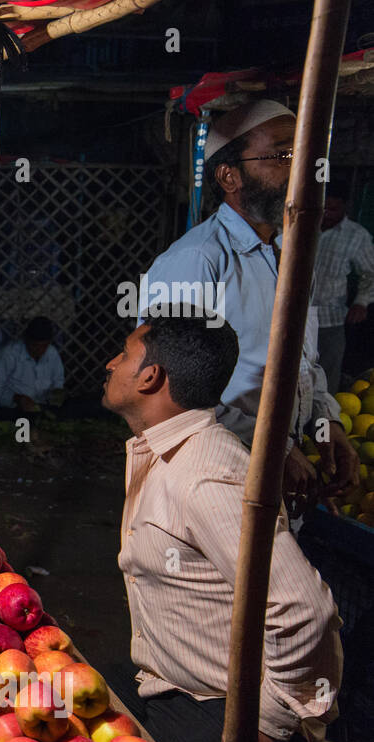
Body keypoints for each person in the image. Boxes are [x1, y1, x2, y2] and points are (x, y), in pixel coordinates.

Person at [101, 312, 343, 742]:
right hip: (169, 682)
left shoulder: (205, 476)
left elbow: (305, 610)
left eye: (123, 354)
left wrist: (268, 724)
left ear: (151, 376)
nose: (111, 363)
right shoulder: (164, 453)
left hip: (224, 713)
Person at [140, 100, 359, 518]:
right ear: (229, 176)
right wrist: (269, 450)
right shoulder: (197, 260)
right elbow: (168, 389)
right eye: (282, 155)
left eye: (303, 155)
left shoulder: (289, 256)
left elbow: (304, 361)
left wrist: (325, 423)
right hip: (216, 481)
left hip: (280, 479)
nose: (299, 169)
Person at [312, 190, 374, 388]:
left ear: (344, 208)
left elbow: (370, 273)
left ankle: (323, 420)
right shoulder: (300, 225)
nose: (327, 214)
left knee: (326, 380)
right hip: (292, 319)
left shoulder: (356, 236)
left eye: (333, 209)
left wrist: (361, 302)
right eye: (324, 208)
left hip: (330, 321)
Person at [0, 316, 64, 420]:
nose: (39, 350)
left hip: (40, 409)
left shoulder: (52, 353)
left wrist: (56, 394)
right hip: (10, 409)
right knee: (23, 421)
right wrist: (17, 398)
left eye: (44, 346)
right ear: (26, 340)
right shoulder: (8, 354)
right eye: (35, 345)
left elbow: (58, 382)